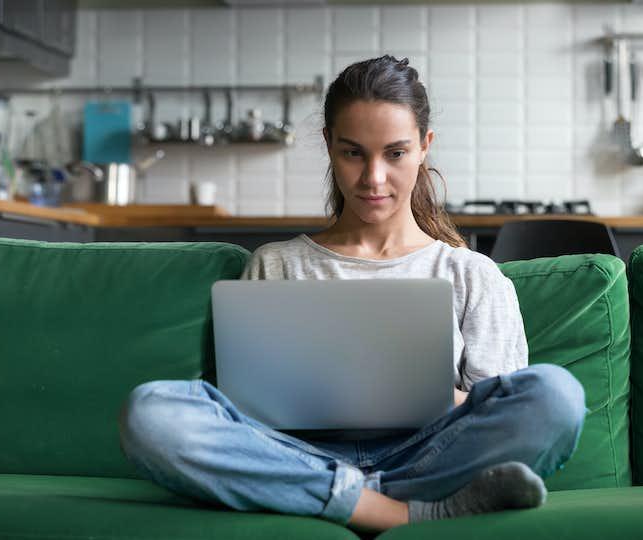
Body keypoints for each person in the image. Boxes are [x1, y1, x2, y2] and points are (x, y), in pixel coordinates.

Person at [118, 56, 587, 534]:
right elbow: (246, 410)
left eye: (395, 153)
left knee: (556, 396)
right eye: (354, 153)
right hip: (298, 455)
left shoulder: (471, 274)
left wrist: (425, 394)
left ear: (425, 147)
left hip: (427, 456)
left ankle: (326, 499)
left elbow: (497, 408)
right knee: (151, 412)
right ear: (328, 145)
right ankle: (395, 511)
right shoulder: (276, 264)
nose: (373, 178)